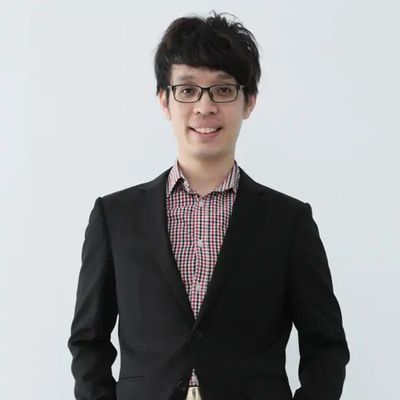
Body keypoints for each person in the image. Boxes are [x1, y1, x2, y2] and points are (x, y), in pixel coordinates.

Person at [67, 11, 350, 400]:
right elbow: (88, 341)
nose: (204, 106)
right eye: (187, 90)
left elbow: (326, 345)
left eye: (222, 89)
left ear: (249, 101)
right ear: (164, 101)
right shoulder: (115, 217)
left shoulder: (289, 221)